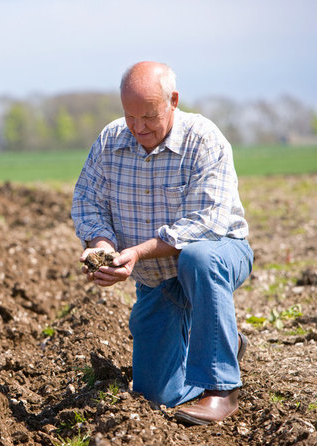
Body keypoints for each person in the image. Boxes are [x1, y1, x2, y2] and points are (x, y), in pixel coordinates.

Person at [71, 61, 253, 425]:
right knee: (157, 395)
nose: (138, 128)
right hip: (157, 278)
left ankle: (221, 388)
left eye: (149, 116)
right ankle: (222, 343)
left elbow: (207, 222)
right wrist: (103, 247)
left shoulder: (203, 139)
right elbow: (88, 202)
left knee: (198, 259)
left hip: (217, 254)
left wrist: (137, 252)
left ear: (173, 100)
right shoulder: (110, 141)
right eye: (130, 116)